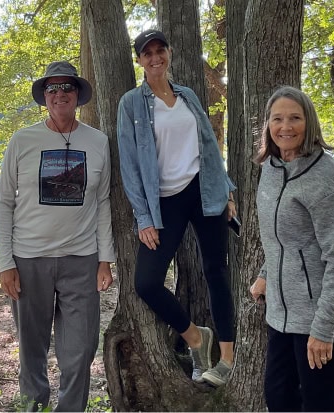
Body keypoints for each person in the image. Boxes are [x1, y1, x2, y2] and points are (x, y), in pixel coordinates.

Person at [117, 29, 236, 387]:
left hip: (204, 192)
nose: (155, 58)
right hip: (163, 201)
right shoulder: (131, 103)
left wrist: (227, 190)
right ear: (139, 60)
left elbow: (209, 146)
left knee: (216, 271)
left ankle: (227, 359)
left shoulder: (187, 96)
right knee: (147, 282)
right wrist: (143, 216)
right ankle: (197, 338)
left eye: (160, 51)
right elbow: (129, 164)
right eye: (147, 53)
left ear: (169, 54)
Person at [0, 61, 115, 412]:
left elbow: (103, 202)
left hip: (82, 261)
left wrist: (104, 259)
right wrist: (6, 262)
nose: (60, 93)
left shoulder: (97, 142)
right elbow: (4, 203)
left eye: (67, 87)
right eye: (52, 88)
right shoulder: (23, 140)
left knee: (79, 352)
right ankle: (32, 408)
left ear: (77, 95)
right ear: (44, 97)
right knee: (31, 353)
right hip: (28, 260)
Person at [250, 85, 334, 411]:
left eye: (295, 118)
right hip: (281, 315)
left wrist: (324, 329)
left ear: (309, 122)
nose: (286, 127)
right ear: (268, 125)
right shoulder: (270, 168)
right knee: (278, 399)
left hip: (320, 319)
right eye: (278, 119)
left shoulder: (326, 176)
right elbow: (280, 237)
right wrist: (265, 274)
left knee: (321, 405)